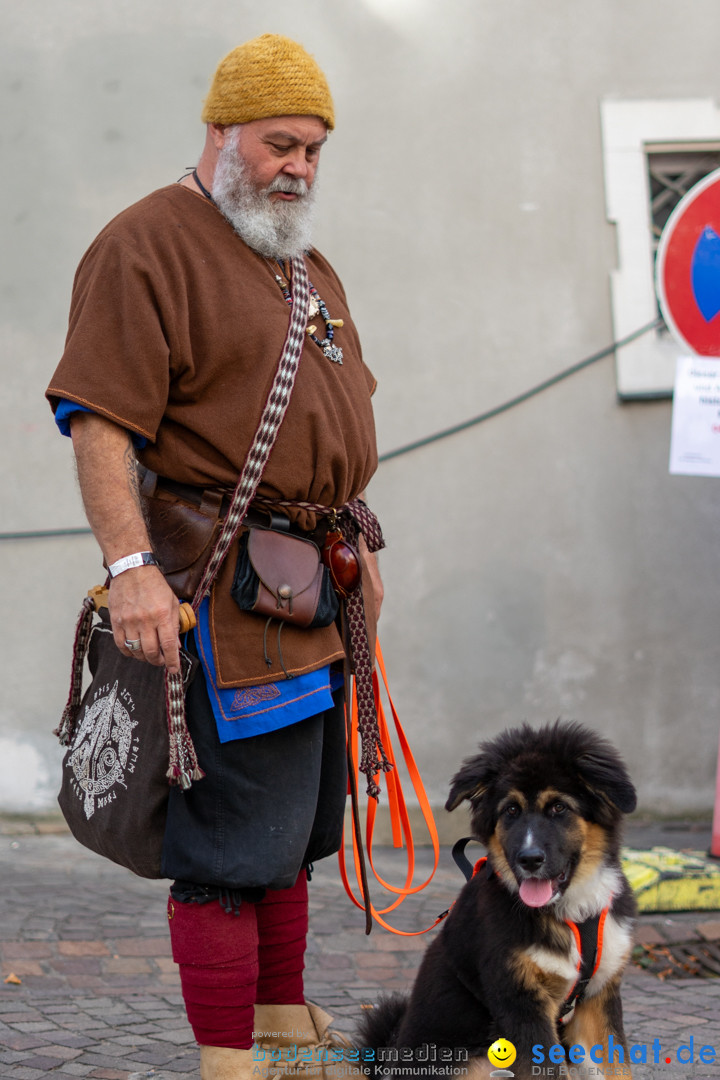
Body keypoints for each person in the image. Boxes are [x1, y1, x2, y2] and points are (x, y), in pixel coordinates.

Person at [46, 34, 383, 1080]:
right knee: (229, 849)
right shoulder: (144, 245)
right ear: (223, 131)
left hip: (313, 590)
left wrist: (361, 566)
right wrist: (130, 568)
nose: (300, 168)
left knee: (292, 829)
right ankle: (228, 1062)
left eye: (315, 149)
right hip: (217, 602)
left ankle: (278, 1020)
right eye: (281, 144)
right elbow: (101, 421)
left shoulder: (301, 262)